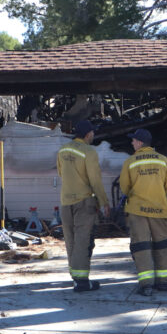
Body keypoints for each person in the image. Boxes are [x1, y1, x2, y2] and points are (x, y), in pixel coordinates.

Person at [119, 128, 167, 295]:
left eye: (133, 140)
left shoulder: (130, 162)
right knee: (163, 245)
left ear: (139, 142)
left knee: (141, 246)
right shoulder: (163, 160)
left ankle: (146, 285)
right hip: (160, 209)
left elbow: (125, 186)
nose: (132, 143)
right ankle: (165, 282)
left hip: (137, 211)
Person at [57, 119, 110, 292]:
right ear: (88, 134)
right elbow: (95, 181)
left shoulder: (63, 150)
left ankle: (75, 276)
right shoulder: (89, 151)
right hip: (83, 202)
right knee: (82, 241)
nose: (93, 135)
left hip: (66, 201)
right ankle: (81, 281)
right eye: (93, 132)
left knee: (70, 240)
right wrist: (104, 203)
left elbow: (60, 172)